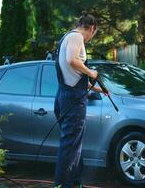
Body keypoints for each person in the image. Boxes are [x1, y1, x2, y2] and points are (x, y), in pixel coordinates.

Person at [54, 13, 105, 188]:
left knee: (73, 144)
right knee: (70, 145)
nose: (91, 38)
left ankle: (74, 181)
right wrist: (92, 73)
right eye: (93, 34)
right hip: (72, 100)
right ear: (92, 28)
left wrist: (100, 89)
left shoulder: (66, 37)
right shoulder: (76, 36)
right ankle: (63, 184)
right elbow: (71, 60)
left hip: (65, 95)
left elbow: (74, 76)